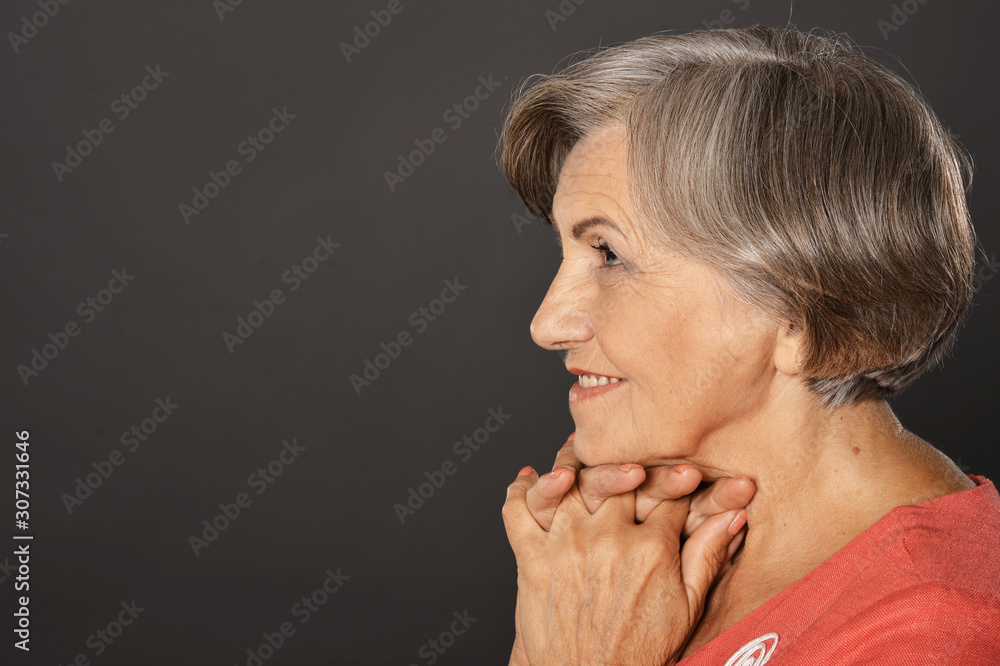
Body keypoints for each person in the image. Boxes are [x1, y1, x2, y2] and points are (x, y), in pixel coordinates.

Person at [498, 26, 1000, 665]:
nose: (548, 324)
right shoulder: (613, 567)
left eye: (609, 254)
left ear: (798, 311)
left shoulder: (939, 635)